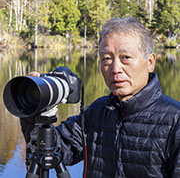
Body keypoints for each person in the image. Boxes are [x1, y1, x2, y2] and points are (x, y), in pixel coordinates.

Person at [20, 17, 180, 178]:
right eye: (106, 59)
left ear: (150, 62)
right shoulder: (97, 112)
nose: (115, 68)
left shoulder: (175, 121)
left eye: (126, 57)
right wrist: (33, 108)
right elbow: (56, 149)